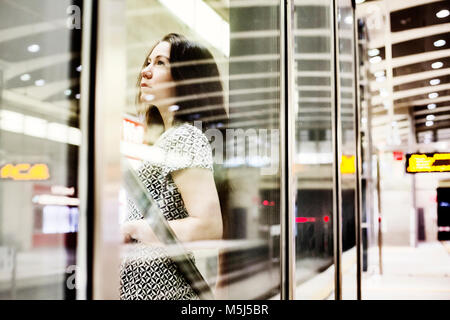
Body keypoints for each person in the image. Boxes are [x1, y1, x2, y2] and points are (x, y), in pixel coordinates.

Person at [120, 33, 227, 300]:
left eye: (160, 63)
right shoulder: (168, 139)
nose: (145, 71)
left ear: (186, 77)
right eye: (148, 61)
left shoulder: (185, 137)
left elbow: (208, 227)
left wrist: (133, 229)